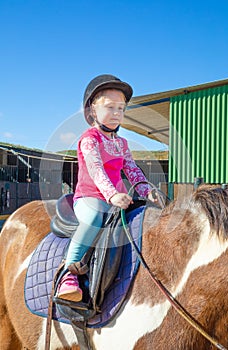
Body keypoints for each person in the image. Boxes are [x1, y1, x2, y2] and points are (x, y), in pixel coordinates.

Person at [57, 74, 154, 302]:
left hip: (118, 199)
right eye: (110, 107)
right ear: (92, 110)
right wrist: (111, 195)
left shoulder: (122, 143)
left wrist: (148, 191)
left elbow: (132, 170)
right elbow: (96, 169)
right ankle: (67, 275)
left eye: (121, 108)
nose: (117, 113)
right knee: (92, 220)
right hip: (91, 197)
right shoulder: (89, 139)